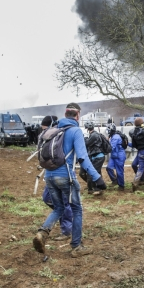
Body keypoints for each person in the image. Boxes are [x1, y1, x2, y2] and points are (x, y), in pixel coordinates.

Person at [33, 103, 107, 258]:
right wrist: (97, 177)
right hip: (66, 177)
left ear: (65, 114)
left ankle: (42, 233)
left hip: (50, 176)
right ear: (78, 115)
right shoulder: (75, 131)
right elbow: (82, 157)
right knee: (77, 209)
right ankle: (77, 246)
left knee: (58, 208)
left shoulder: (55, 130)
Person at [79, 122, 107, 195]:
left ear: (87, 129)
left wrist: (84, 138)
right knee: (96, 172)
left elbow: (87, 144)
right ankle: (94, 186)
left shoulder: (94, 135)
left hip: (98, 156)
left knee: (93, 173)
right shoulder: (94, 134)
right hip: (96, 156)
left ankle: (96, 188)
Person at [106, 124, 126, 191]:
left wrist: (104, 144)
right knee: (109, 168)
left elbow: (111, 147)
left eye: (108, 130)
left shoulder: (115, 137)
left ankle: (121, 186)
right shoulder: (112, 136)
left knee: (119, 171)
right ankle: (115, 180)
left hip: (119, 156)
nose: (107, 131)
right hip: (114, 155)